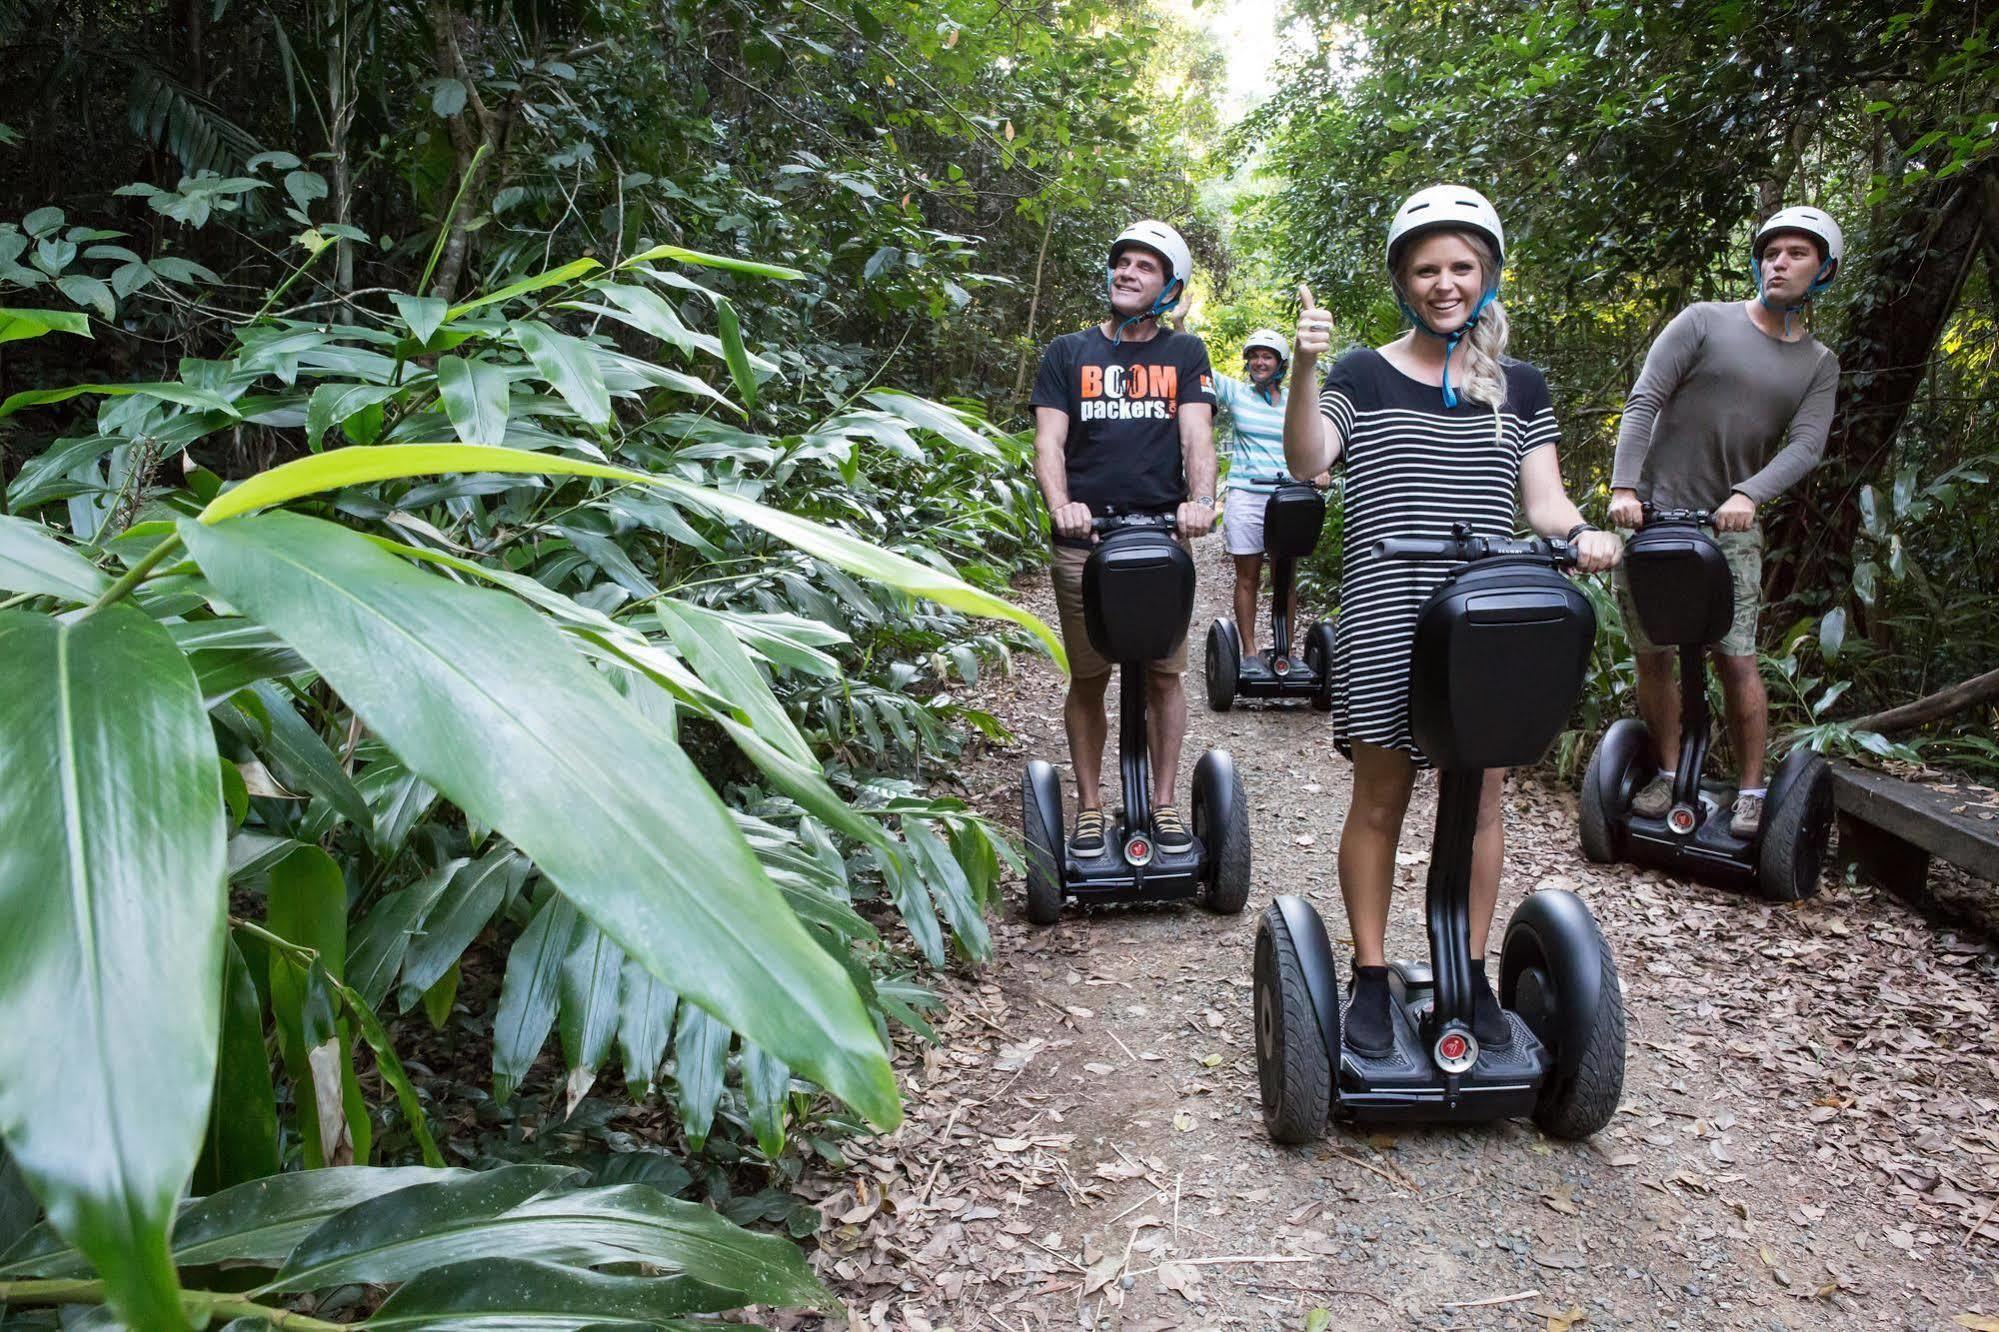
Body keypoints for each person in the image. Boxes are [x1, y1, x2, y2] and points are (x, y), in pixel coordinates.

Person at [1282, 186, 1621, 1056]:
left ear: (1487, 275)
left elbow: (1543, 503)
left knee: (1480, 802)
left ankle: (1465, 970)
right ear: (1403, 280)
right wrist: (1305, 365)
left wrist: (1583, 535)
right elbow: (1310, 459)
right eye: (1427, 269)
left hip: (1485, 618)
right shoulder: (1359, 372)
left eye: (1461, 267)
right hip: (1388, 611)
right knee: (1381, 794)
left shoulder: (1519, 386)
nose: (1445, 284)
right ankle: (1366, 974)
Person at [1607, 206, 1843, 837]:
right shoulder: (1705, 321)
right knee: (1652, 654)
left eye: (1796, 254)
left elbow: (1806, 446)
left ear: (1823, 271)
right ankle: (1663, 774)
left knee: (1736, 659)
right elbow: (1645, 397)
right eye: (1771, 253)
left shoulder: (1819, 364)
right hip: (1650, 517)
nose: (1779, 263)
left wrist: (1748, 494)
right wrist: (1624, 487)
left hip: (1728, 528)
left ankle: (1751, 790)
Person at [1029, 220, 1219, 859]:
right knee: (1089, 677)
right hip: (1087, 541)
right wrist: (1062, 507)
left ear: (1170, 287)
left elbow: (1197, 437)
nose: (1127, 273)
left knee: (1165, 675)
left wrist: (1199, 503)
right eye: (1123, 263)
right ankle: (1088, 807)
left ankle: (1163, 805)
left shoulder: (1185, 355)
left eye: (1145, 266)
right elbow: (1049, 441)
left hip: (1162, 539)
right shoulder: (1066, 353)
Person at [1212, 330, 1329, 663]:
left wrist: (1320, 468)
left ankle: (1285, 653)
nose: (1259, 362)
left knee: (1285, 577)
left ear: (1280, 364)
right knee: (1247, 576)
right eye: (1254, 356)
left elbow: (1315, 441)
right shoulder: (1236, 393)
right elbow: (1200, 366)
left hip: (1289, 499)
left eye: (1267, 356)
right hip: (1247, 494)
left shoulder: (1298, 400)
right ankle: (1249, 652)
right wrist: (1179, 324)